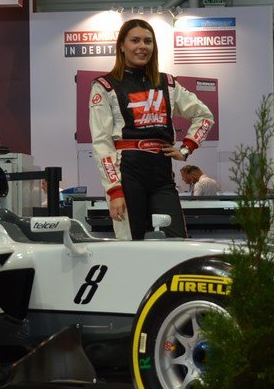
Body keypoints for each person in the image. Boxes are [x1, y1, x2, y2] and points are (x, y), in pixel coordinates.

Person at [89, 18, 215, 240]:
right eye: (135, 40)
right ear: (122, 45)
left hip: (162, 175)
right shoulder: (105, 86)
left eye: (148, 41)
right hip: (127, 175)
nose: (142, 46)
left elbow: (205, 116)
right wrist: (114, 190)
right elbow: (102, 144)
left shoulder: (167, 83)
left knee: (177, 241)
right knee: (132, 244)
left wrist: (186, 149)